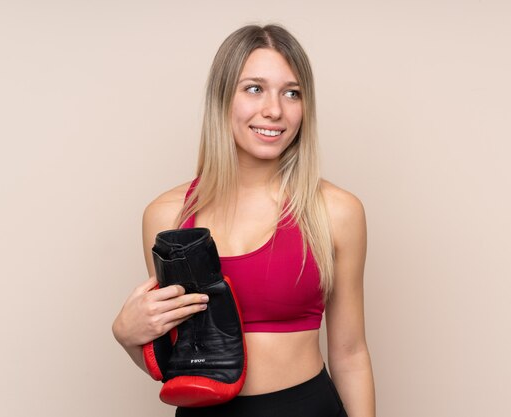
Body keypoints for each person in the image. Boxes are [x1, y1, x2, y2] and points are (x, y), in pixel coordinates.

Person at [112, 24, 375, 416]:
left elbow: (351, 353)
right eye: (254, 88)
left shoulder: (336, 211)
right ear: (222, 98)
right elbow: (180, 361)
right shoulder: (167, 216)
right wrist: (128, 337)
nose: (275, 109)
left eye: (292, 93)